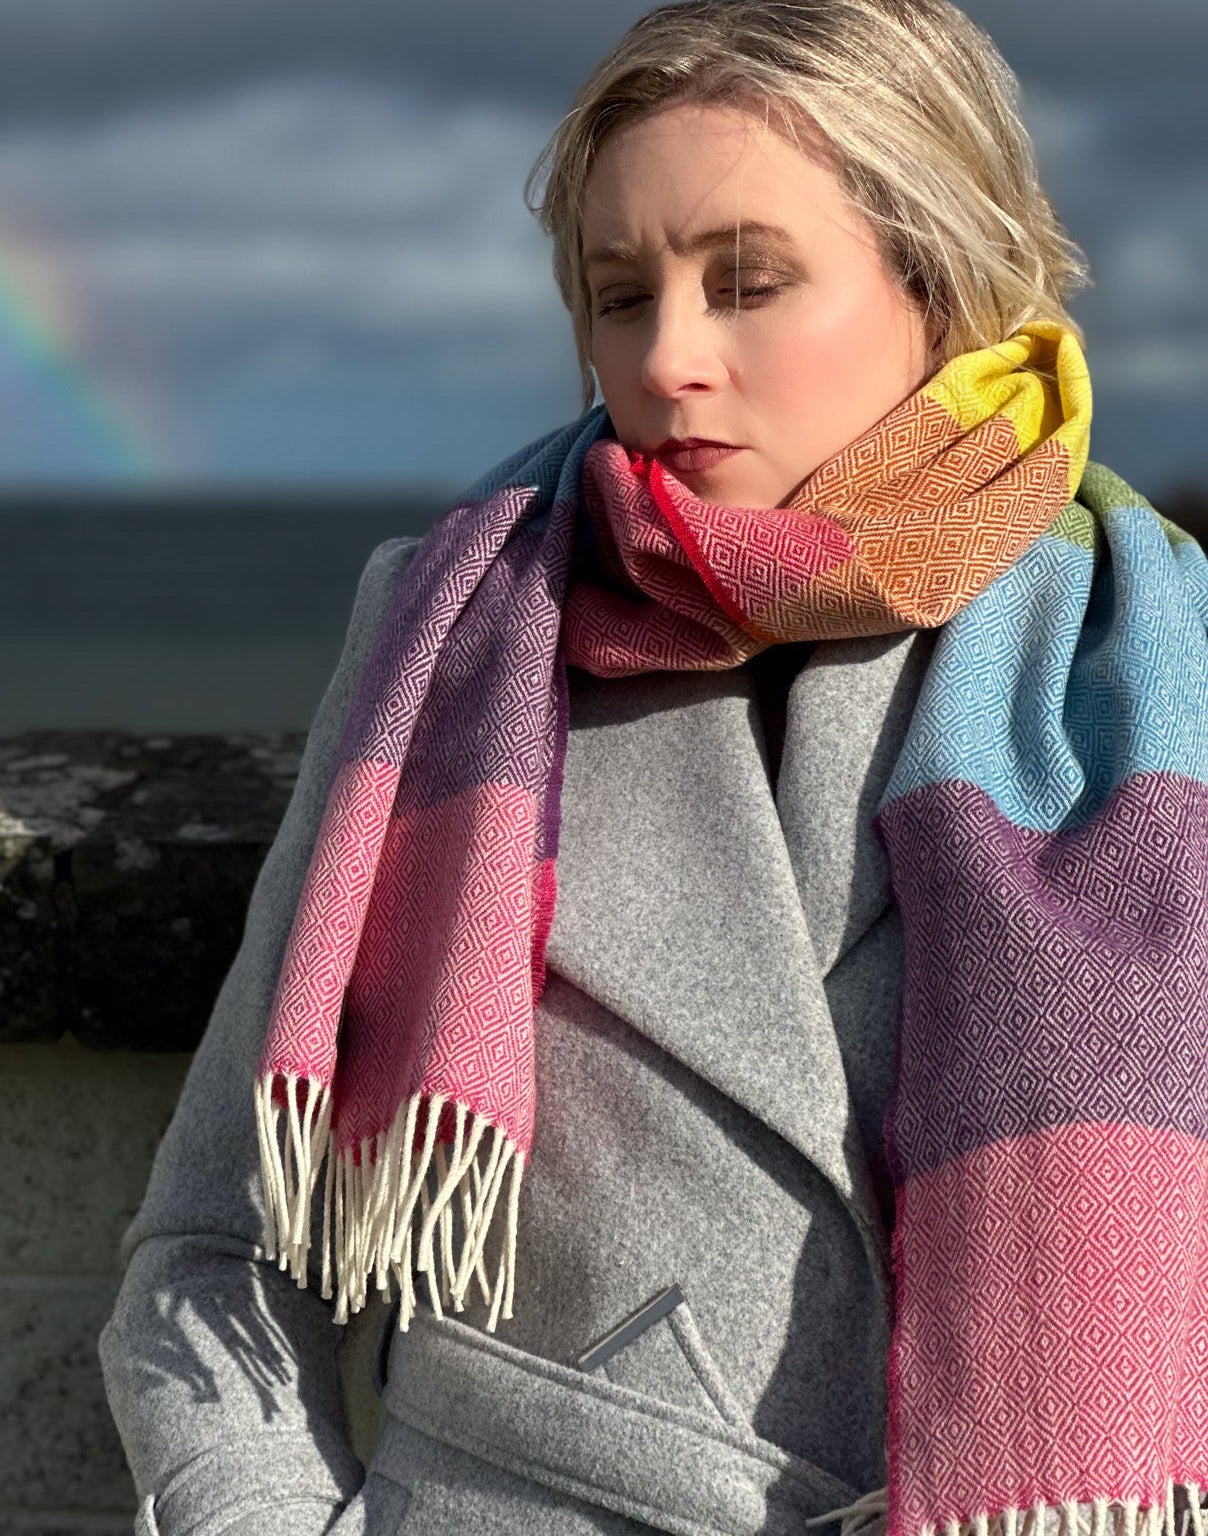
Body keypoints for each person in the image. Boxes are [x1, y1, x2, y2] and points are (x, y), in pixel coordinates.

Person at [100, 3, 1208, 1534]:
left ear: (941, 286)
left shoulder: (1149, 683)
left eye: (747, 283)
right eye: (621, 295)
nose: (669, 358)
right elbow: (216, 1255)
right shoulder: (453, 646)